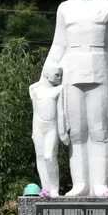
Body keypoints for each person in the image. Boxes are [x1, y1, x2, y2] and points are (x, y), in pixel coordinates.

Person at [42, 0, 108, 196]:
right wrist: (49, 67)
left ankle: (100, 184)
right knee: (76, 133)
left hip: (100, 73)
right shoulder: (65, 9)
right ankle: (80, 184)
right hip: (72, 74)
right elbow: (58, 44)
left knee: (100, 132)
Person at [29, 65, 66, 195]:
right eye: (57, 74)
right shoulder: (34, 89)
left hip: (52, 128)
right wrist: (34, 131)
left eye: (60, 75)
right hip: (39, 127)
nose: (60, 78)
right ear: (46, 74)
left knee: (49, 156)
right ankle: (46, 188)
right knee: (40, 157)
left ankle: (55, 188)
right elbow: (35, 112)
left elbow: (61, 113)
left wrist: (62, 132)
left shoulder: (59, 90)